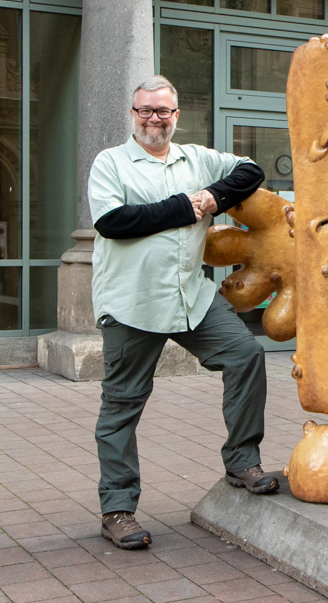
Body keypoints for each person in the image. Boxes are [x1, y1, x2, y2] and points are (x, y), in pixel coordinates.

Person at [88, 75, 278, 551]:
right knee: (122, 406)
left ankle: (242, 461)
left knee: (245, 356)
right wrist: (187, 207)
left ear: (176, 114)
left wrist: (214, 197)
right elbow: (115, 223)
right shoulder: (110, 163)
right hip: (133, 303)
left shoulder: (197, 158)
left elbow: (250, 171)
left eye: (164, 111)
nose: (155, 119)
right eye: (146, 111)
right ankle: (118, 509)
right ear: (133, 114)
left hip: (191, 295)